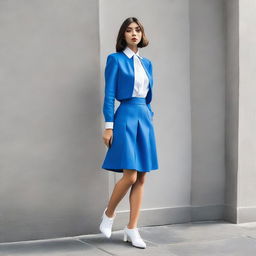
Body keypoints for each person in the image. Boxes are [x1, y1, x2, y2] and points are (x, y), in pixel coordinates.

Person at [99, 17, 159, 249]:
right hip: (124, 116)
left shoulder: (147, 63)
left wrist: (149, 113)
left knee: (142, 176)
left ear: (142, 34)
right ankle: (109, 214)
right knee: (130, 175)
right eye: (128, 30)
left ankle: (132, 228)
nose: (134, 33)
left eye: (137, 30)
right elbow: (109, 95)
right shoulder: (115, 60)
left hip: (144, 117)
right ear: (122, 36)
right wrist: (108, 125)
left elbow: (148, 95)